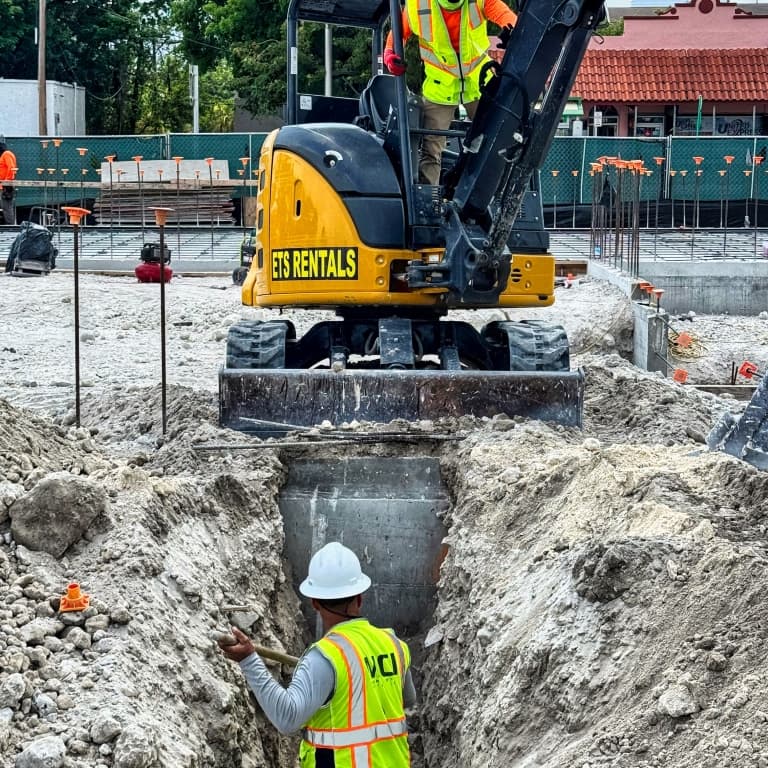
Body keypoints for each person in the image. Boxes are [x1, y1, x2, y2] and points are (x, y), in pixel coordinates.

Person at [218, 542, 415, 767]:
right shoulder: (395, 645)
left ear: (314, 603)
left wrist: (249, 660)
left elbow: (288, 717)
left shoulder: (324, 657)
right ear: (359, 598)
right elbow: (407, 699)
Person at [383, 0, 518, 186]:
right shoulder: (418, 6)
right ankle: (429, 202)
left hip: (477, 83)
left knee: (494, 143)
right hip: (440, 86)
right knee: (431, 150)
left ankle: (492, 196)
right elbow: (398, 34)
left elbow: (506, 16)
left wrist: (515, 31)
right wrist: (390, 54)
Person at [0, 136, 18, 225]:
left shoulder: (7, 154)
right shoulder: (3, 155)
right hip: (3, 185)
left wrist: (7, 183)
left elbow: (11, 168)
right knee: (5, 207)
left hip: (5, 186)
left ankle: (10, 226)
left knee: (7, 207)